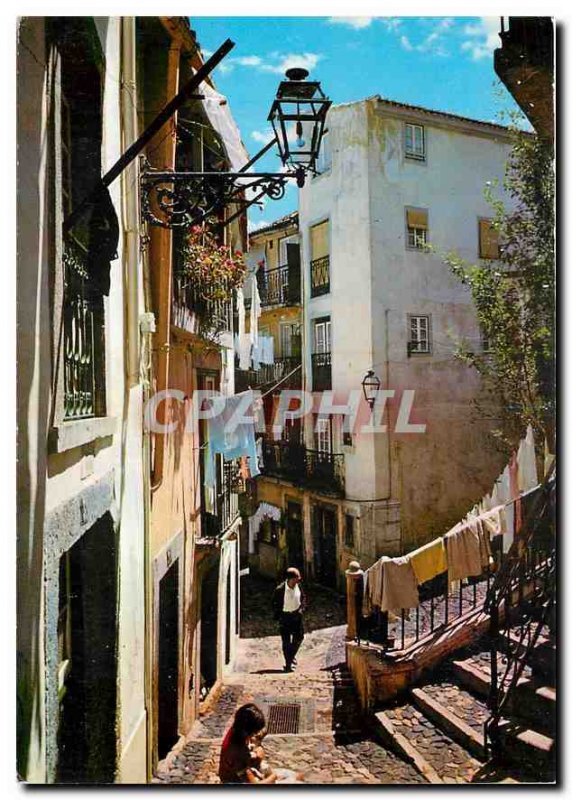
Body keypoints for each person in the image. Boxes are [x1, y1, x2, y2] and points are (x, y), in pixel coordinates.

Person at [218, 703, 303, 784]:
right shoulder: (237, 753)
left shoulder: (236, 731)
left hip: (248, 770)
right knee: (296, 781)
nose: (253, 735)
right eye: (253, 733)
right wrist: (272, 777)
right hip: (238, 781)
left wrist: (256, 751)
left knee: (298, 776)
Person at [272, 567, 307, 672]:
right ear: (290, 579)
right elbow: (274, 603)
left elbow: (303, 598)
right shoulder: (279, 590)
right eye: (297, 578)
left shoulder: (298, 586)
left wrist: (301, 609)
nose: (299, 580)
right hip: (285, 617)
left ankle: (291, 657)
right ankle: (288, 664)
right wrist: (278, 616)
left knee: (299, 637)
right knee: (286, 641)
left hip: (296, 616)